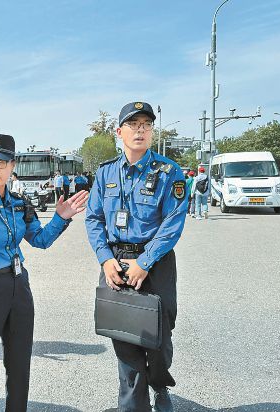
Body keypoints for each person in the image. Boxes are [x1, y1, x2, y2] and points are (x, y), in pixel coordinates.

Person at [0, 133, 88, 412]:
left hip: (18, 286)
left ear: (12, 166)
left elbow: (40, 239)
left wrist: (61, 218)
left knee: (19, 361)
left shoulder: (19, 203)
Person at [85, 102, 187, 412]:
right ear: (119, 132)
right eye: (133, 124)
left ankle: (159, 383)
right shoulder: (105, 173)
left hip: (155, 264)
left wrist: (145, 262)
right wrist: (104, 259)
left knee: (158, 336)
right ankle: (133, 405)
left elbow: (173, 222)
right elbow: (93, 219)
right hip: (115, 263)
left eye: (146, 124)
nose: (140, 129)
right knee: (125, 336)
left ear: (152, 131)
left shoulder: (169, 172)